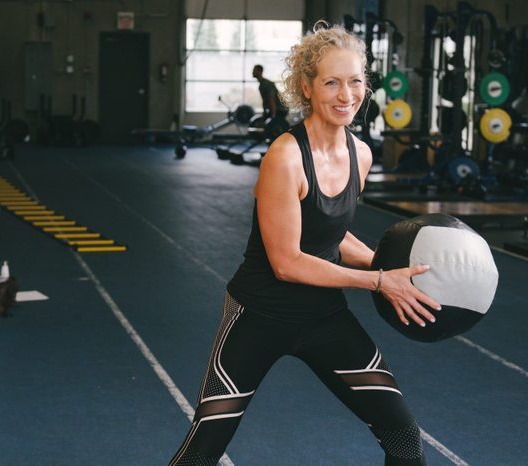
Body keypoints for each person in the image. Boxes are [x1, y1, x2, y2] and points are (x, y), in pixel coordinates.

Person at [169, 22, 440, 466]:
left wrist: (390, 269)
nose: (345, 95)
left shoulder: (361, 154)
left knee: (405, 442)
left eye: (355, 82)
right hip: (258, 314)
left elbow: (331, 234)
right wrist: (377, 281)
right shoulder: (285, 157)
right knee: (203, 453)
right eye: (331, 82)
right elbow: (288, 261)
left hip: (323, 317)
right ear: (306, 87)